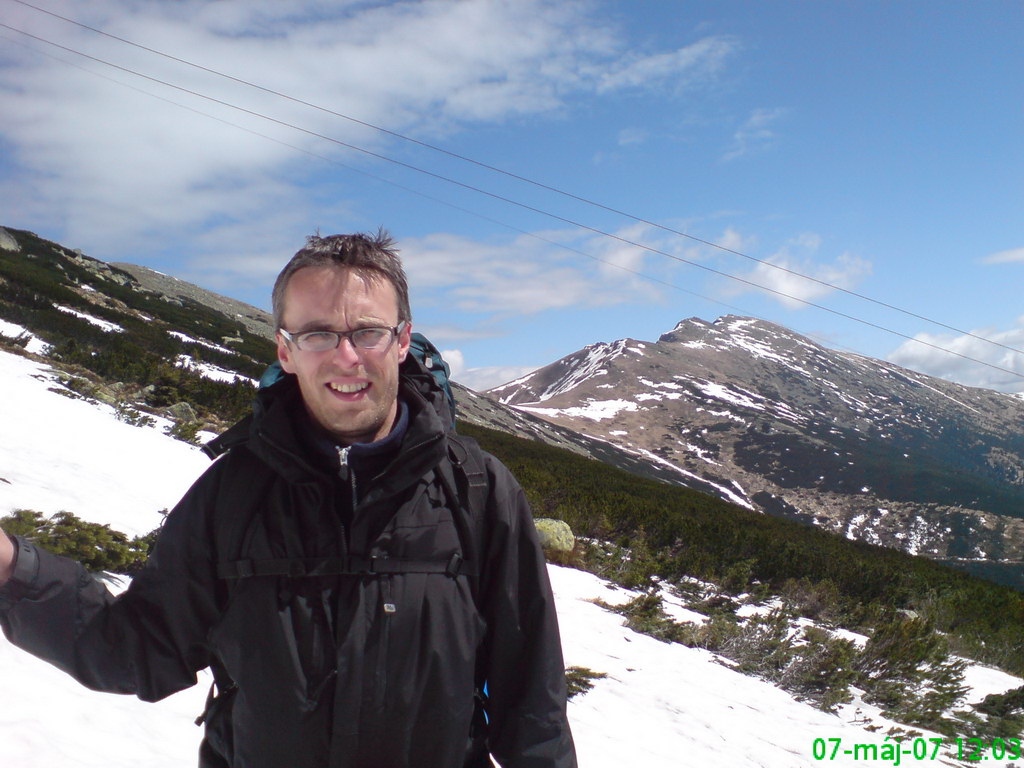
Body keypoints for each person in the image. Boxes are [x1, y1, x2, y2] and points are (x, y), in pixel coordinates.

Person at [0, 231, 577, 768]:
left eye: (368, 332)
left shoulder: (476, 488)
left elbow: (533, 701)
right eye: (318, 334)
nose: (346, 357)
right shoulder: (235, 493)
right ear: (285, 349)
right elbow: (138, 649)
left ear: (402, 340)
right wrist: (12, 570)